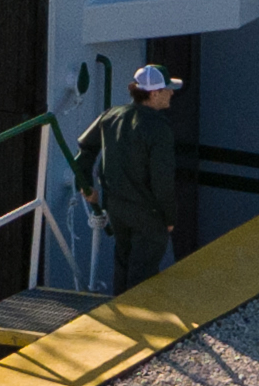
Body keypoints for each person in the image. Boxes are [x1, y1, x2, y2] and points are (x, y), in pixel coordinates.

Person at [70, 62, 181, 291]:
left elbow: (84, 148)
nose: (171, 93)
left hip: (116, 208)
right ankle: (137, 322)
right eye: (167, 88)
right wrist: (169, 217)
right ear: (154, 93)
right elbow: (162, 180)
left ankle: (120, 315)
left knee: (123, 263)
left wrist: (86, 185)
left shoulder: (112, 115)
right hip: (148, 214)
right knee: (143, 274)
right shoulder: (159, 129)